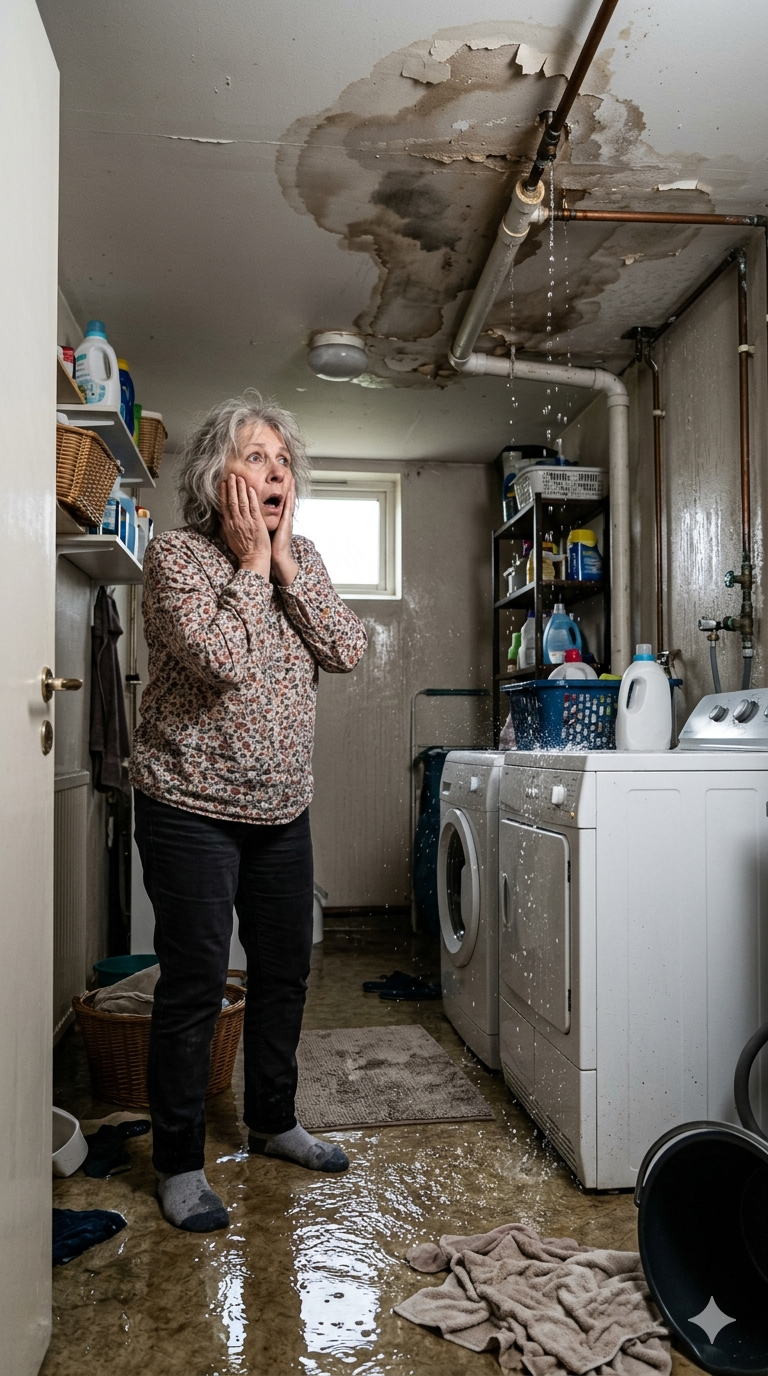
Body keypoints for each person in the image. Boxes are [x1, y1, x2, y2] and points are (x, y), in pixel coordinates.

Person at [130, 392, 367, 1233]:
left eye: (283, 460)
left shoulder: (302, 556)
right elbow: (223, 659)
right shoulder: (177, 560)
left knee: (285, 973)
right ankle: (179, 1162)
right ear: (214, 477)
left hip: (281, 811)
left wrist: (289, 566)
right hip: (187, 806)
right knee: (194, 985)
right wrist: (251, 563)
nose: (275, 472)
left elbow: (345, 649)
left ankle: (271, 1120)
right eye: (255, 457)